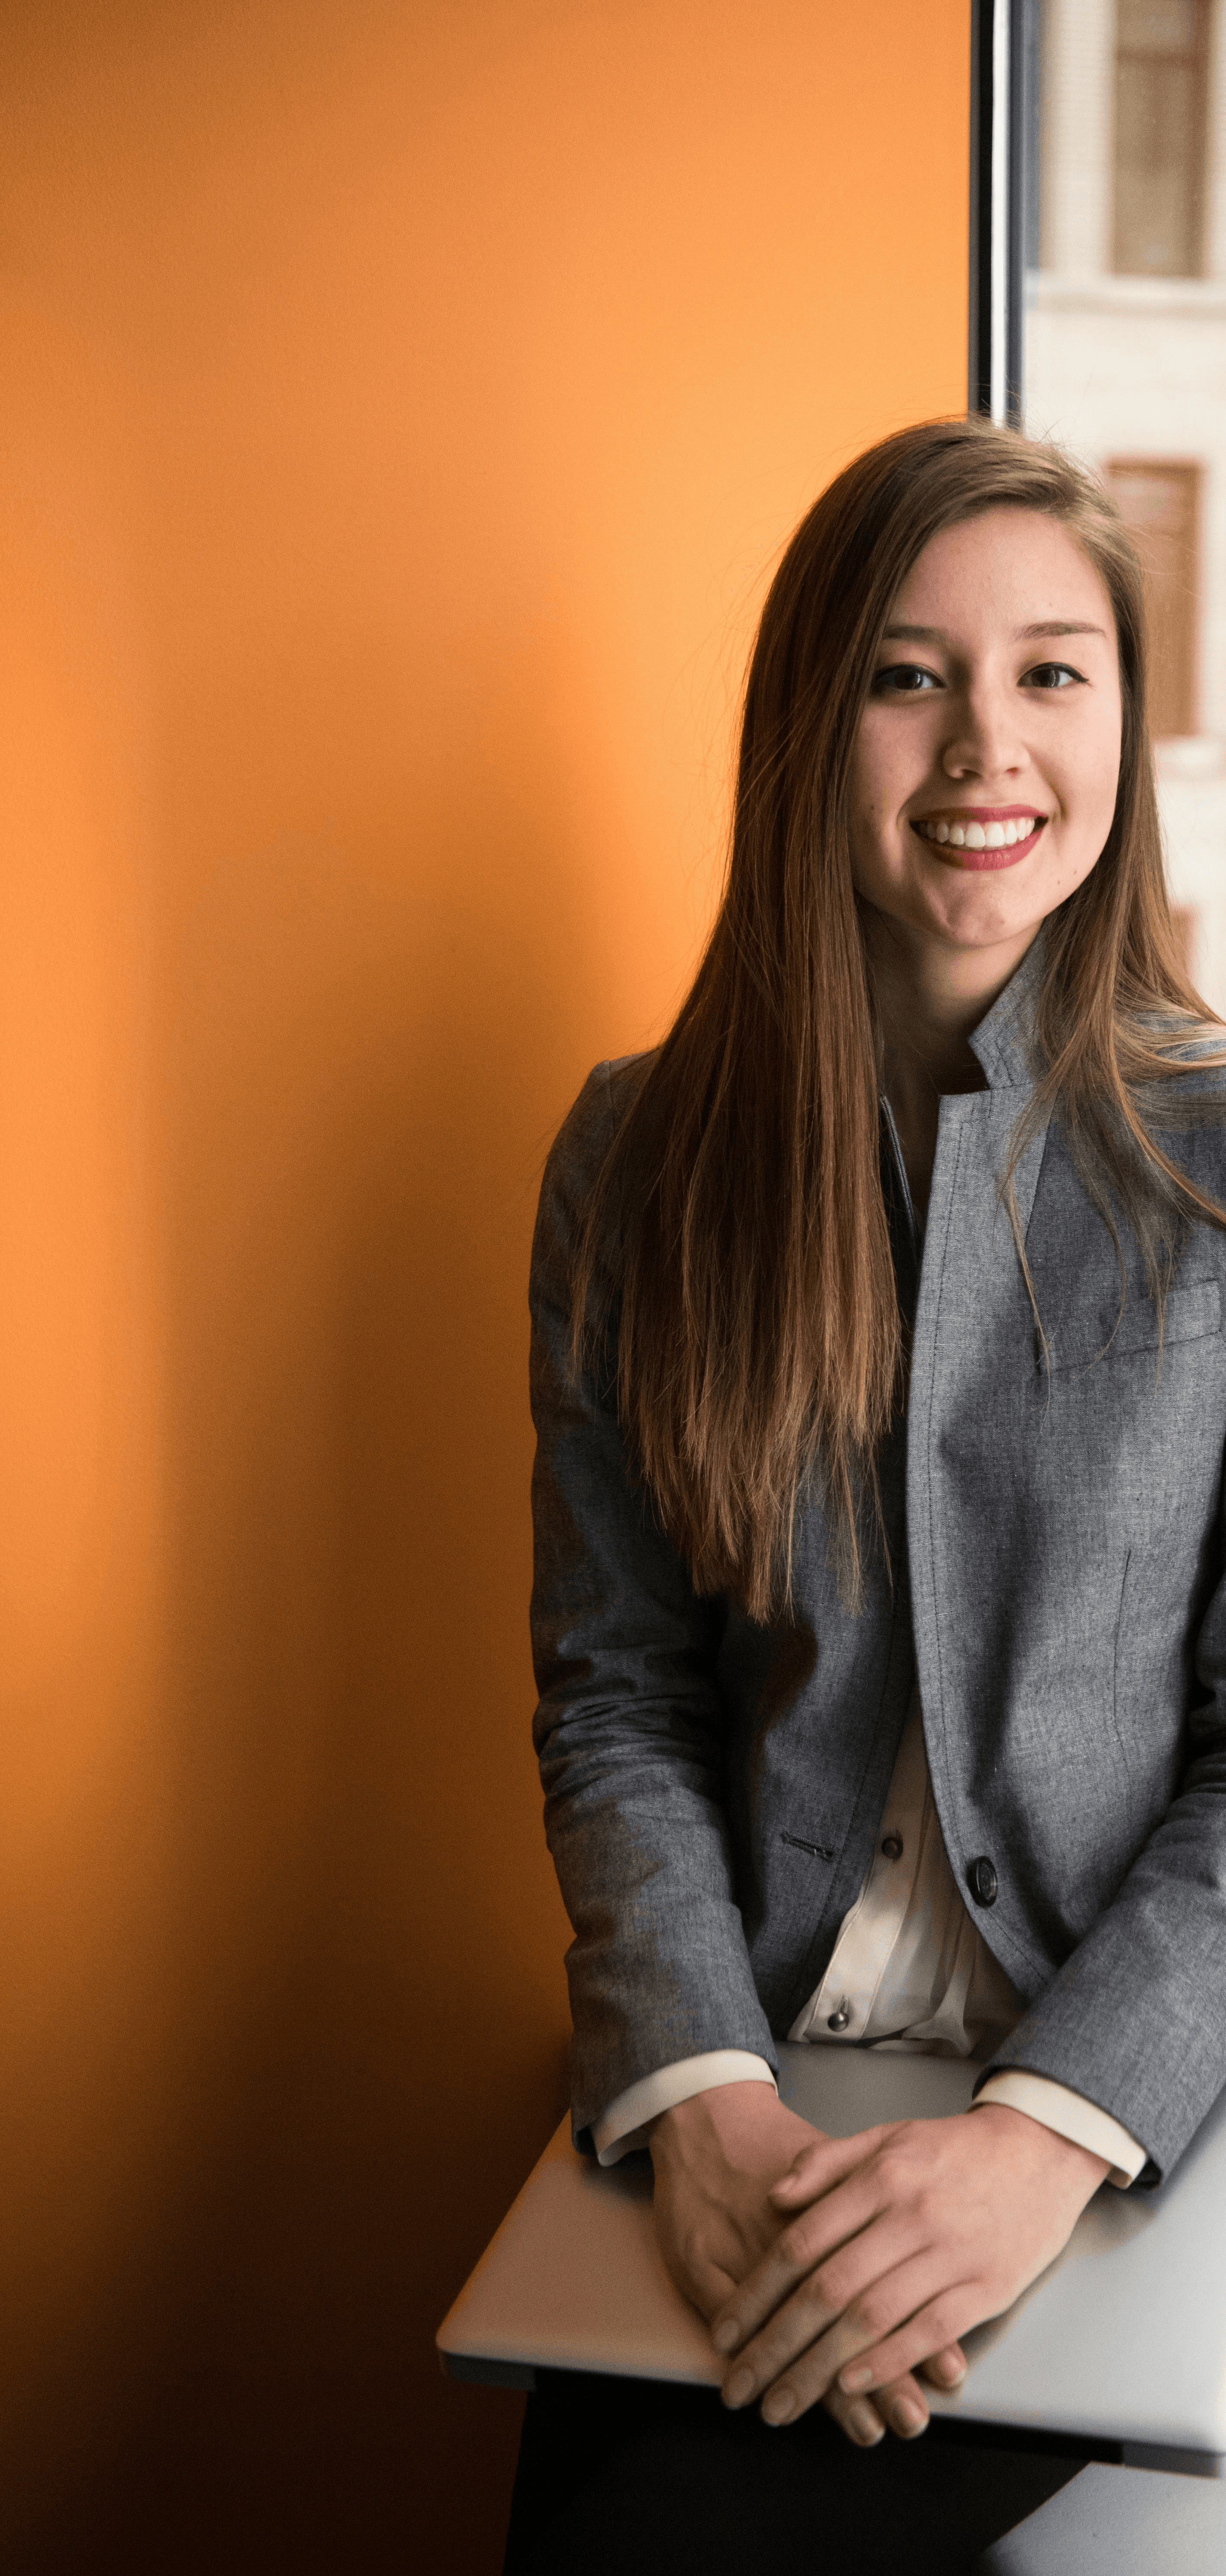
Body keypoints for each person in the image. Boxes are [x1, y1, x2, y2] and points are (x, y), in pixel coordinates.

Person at [506, 416, 1226, 2573]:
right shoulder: (634, 1157)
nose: (984, 744)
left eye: (1051, 672)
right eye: (909, 675)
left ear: (1117, 725)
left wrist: (1044, 2137)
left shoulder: (1217, 1161)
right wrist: (698, 2102)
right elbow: (618, 1695)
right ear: (809, 728)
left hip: (1122, 2099)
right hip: (757, 2080)